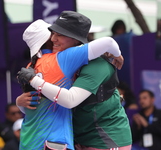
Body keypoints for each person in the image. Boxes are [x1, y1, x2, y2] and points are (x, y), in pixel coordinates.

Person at [17, 11, 124, 150]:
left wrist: (18, 102)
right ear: (48, 39)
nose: (55, 38)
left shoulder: (30, 66)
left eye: (59, 34)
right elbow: (108, 42)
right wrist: (118, 55)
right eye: (53, 34)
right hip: (53, 143)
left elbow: (30, 107)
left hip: (28, 142)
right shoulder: (61, 59)